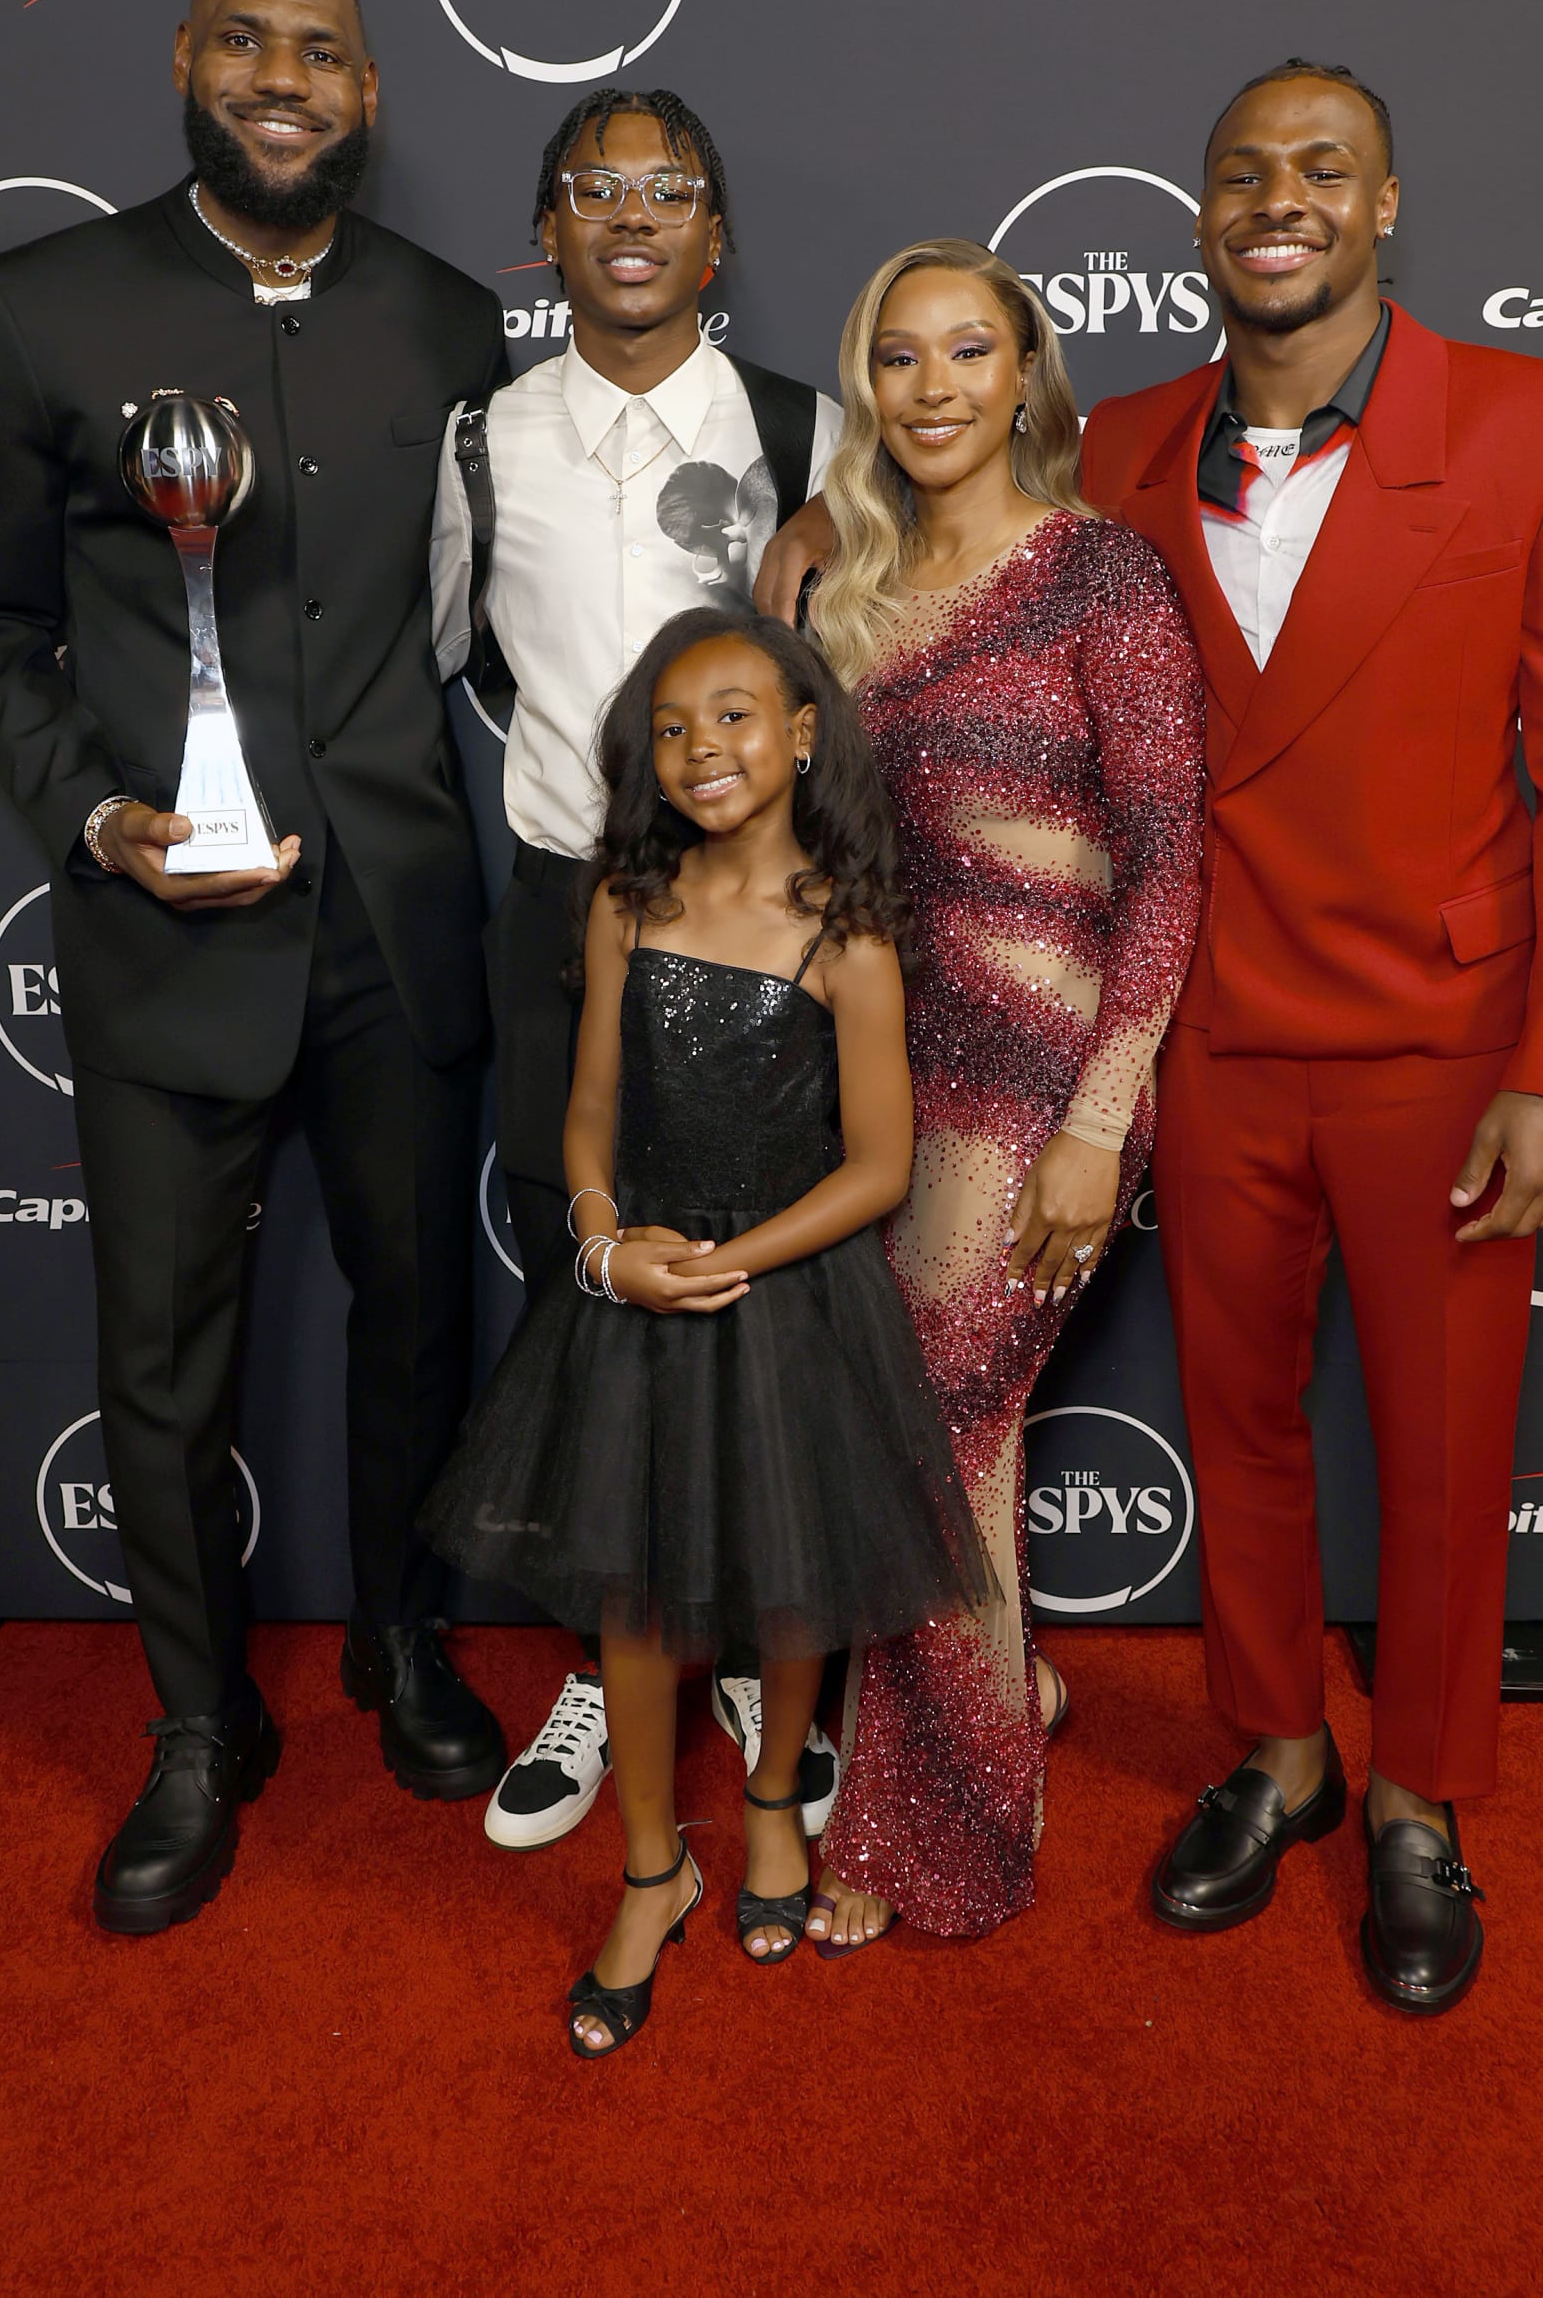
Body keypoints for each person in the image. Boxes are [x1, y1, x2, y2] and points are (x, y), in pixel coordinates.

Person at [0, 0, 509, 1934]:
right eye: (246, 41)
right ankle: (194, 1726)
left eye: (321, 52)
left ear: (370, 92)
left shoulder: (449, 322)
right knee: (164, 1361)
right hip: (164, 937)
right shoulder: (37, 312)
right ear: (185, 59)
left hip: (400, 929)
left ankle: (403, 1645)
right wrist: (99, 817)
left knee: (418, 1319)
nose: (283, 78)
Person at [1079, 60, 1543, 2012]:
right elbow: (971, 562)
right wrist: (827, 529)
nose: (1283, 198)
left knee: (1443, 1447)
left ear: (1386, 204)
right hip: (1215, 1033)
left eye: (1324, 168)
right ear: (1201, 213)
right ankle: (1282, 1754)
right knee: (1235, 1427)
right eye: (1245, 170)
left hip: (1448, 1045)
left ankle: (1418, 1796)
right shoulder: (1118, 449)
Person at [423, 609, 988, 2054]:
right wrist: (606, 1245)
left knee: (794, 1576)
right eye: (671, 729)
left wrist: (729, 1260)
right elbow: (589, 1110)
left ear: (801, 734)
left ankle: (774, 1805)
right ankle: (650, 1868)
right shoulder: (626, 903)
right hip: (637, 1291)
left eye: (734, 716)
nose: (702, 749)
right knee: (631, 1600)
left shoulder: (849, 932)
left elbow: (880, 1166)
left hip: (788, 1293)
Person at [432, 89, 845, 1851]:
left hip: (765, 927)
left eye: (668, 189)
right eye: (593, 187)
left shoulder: (805, 429)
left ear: (714, 236)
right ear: (548, 230)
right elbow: (459, 655)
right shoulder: (482, 439)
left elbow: (856, 659)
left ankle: (749, 1643)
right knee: (585, 1284)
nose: (631, 213)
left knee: (765, 1291)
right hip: (565, 909)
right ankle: (616, 1659)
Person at [783, 239, 1204, 1945]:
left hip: (1047, 1081)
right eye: (901, 357)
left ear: (1027, 374)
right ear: (867, 386)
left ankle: (935, 1830)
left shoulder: (1101, 572)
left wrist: (1102, 1116)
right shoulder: (843, 588)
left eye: (971, 351)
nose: (936, 386)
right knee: (919, 1430)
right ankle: (999, 1694)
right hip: (882, 1070)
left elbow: (1169, 862)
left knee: (937, 1430)